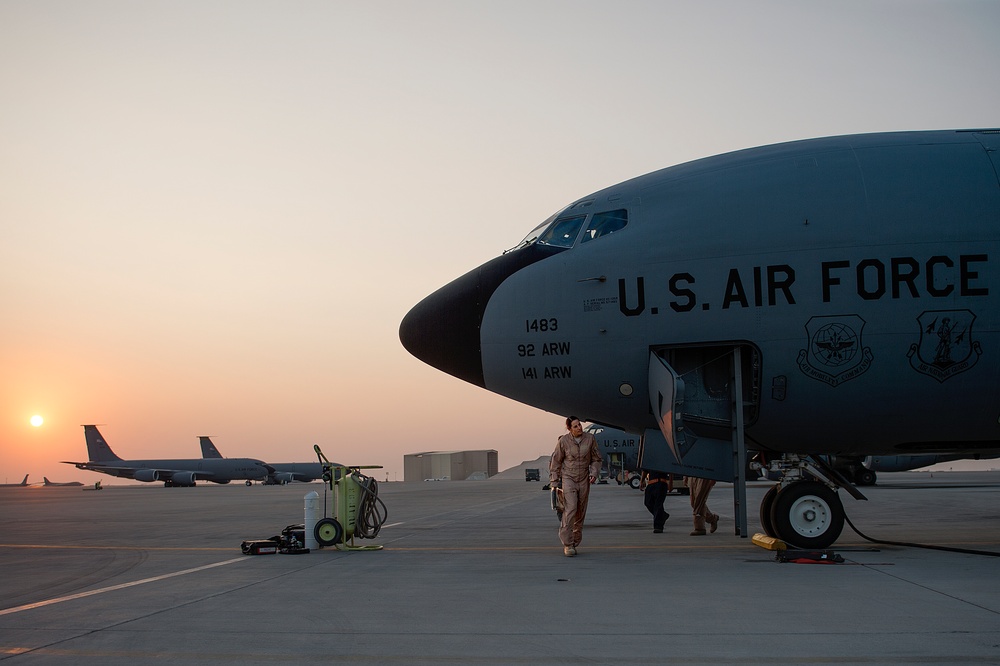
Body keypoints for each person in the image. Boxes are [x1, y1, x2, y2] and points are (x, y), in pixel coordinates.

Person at [549, 416, 602, 557]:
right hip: (569, 478)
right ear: (569, 429)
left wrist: (594, 473)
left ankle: (575, 541)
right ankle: (567, 544)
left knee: (580, 510)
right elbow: (556, 461)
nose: (579, 428)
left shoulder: (590, 439)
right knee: (571, 508)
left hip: (584, 478)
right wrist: (554, 482)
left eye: (579, 425)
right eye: (575, 426)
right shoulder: (563, 441)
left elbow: (596, 459)